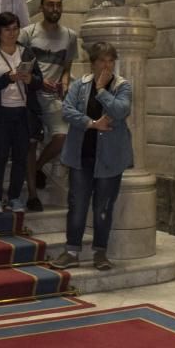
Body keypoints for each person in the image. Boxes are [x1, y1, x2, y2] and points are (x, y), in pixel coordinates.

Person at [48, 42, 132, 271]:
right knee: (77, 205)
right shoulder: (79, 85)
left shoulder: (122, 86)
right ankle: (72, 251)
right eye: (103, 60)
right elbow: (67, 110)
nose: (107, 65)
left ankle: (100, 253)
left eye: (110, 60)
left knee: (103, 207)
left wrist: (103, 90)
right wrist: (92, 124)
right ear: (93, 63)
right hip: (81, 156)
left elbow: (121, 110)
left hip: (110, 159)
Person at [19, 0, 77, 211]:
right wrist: (37, 82)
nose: (55, 9)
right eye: (50, 5)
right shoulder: (27, 33)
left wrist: (65, 81)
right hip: (30, 96)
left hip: (54, 97)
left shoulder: (70, 36)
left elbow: (67, 67)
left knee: (62, 136)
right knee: (30, 144)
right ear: (41, 7)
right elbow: (21, 68)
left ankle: (37, 168)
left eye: (58, 5)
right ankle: (33, 196)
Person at [0, 11, 43, 214]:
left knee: (20, 157)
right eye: (7, 29)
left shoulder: (27, 52)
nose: (12, 33)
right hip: (1, 114)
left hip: (23, 113)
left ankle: (15, 197)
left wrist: (29, 80)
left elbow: (39, 81)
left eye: (15, 28)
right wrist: (7, 78)